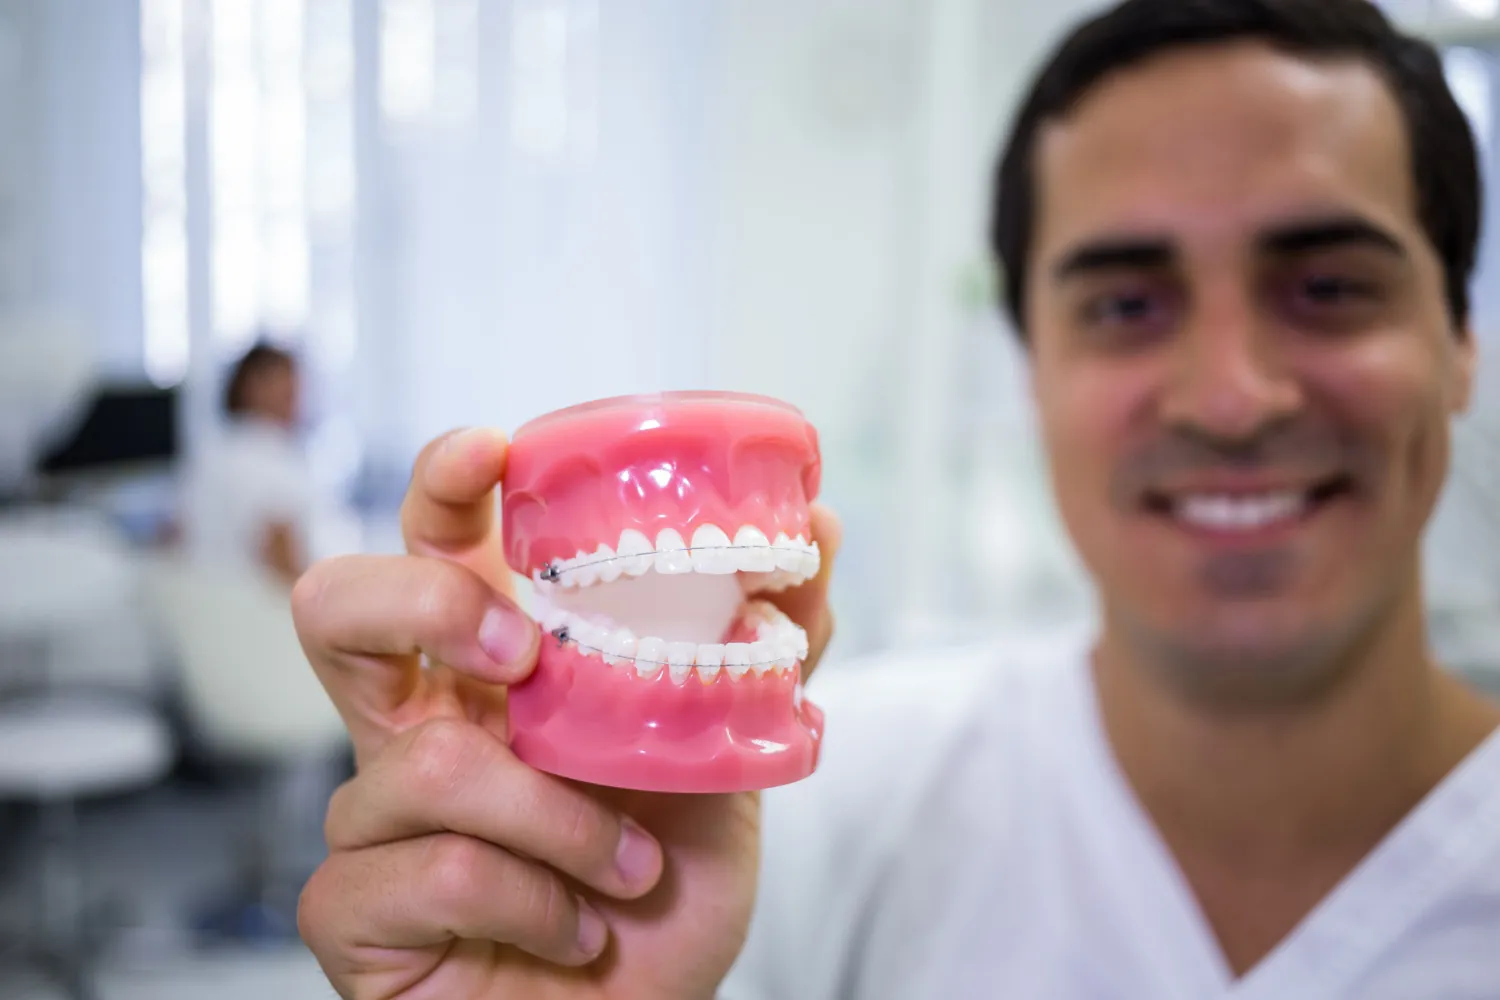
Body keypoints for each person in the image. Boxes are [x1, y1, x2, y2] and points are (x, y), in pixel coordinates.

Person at [290, 0, 1500, 996]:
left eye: (1332, 287)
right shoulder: (771, 834)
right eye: (1127, 306)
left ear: (1461, 343)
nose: (1231, 397)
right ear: (1033, 367)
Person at [179, 341, 314, 586]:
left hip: (223, 604)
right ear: (253, 386)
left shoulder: (214, 451)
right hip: (275, 610)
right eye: (288, 391)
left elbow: (177, 535)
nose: (296, 401)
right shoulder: (267, 454)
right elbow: (280, 551)